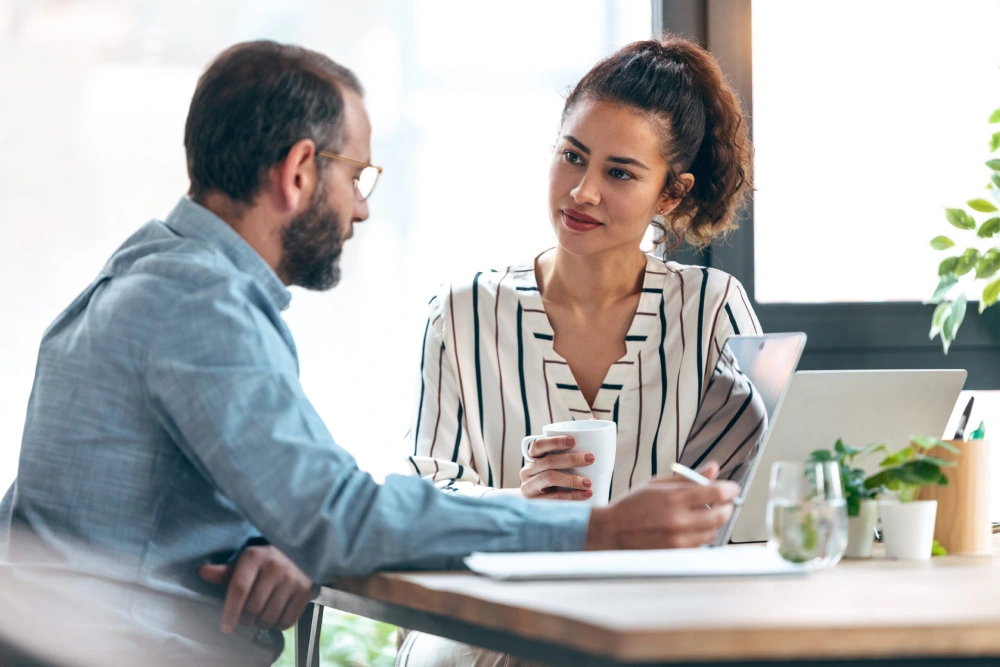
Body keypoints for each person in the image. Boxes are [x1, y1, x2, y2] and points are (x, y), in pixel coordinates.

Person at [0, 40, 739, 667]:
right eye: (356, 176)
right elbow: (339, 515)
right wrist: (597, 529)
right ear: (299, 171)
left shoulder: (154, 274)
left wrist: (280, 536)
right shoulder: (200, 307)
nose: (361, 207)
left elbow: (266, 507)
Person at [402, 35, 760, 666]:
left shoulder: (711, 308)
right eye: (573, 156)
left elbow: (750, 489)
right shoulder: (461, 311)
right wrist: (522, 507)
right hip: (492, 613)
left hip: (652, 618)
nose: (582, 191)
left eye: (619, 172)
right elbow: (426, 497)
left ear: (670, 194)